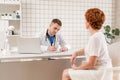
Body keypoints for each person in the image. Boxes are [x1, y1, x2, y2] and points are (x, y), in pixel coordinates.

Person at [62, 8, 112, 80]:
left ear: (89, 21)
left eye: (86, 20)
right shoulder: (98, 35)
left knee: (66, 73)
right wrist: (76, 53)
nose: (84, 22)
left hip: (100, 73)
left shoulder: (95, 38)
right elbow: (89, 48)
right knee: (66, 72)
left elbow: (91, 64)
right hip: (101, 70)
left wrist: (77, 69)